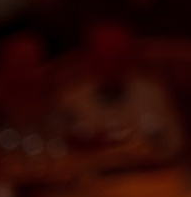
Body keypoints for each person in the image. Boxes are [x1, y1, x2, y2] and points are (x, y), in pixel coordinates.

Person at [50, 21, 183, 163]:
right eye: (105, 55)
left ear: (131, 56)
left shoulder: (152, 93)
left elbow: (175, 145)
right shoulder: (71, 100)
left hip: (147, 178)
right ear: (90, 58)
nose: (113, 64)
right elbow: (60, 154)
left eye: (118, 55)